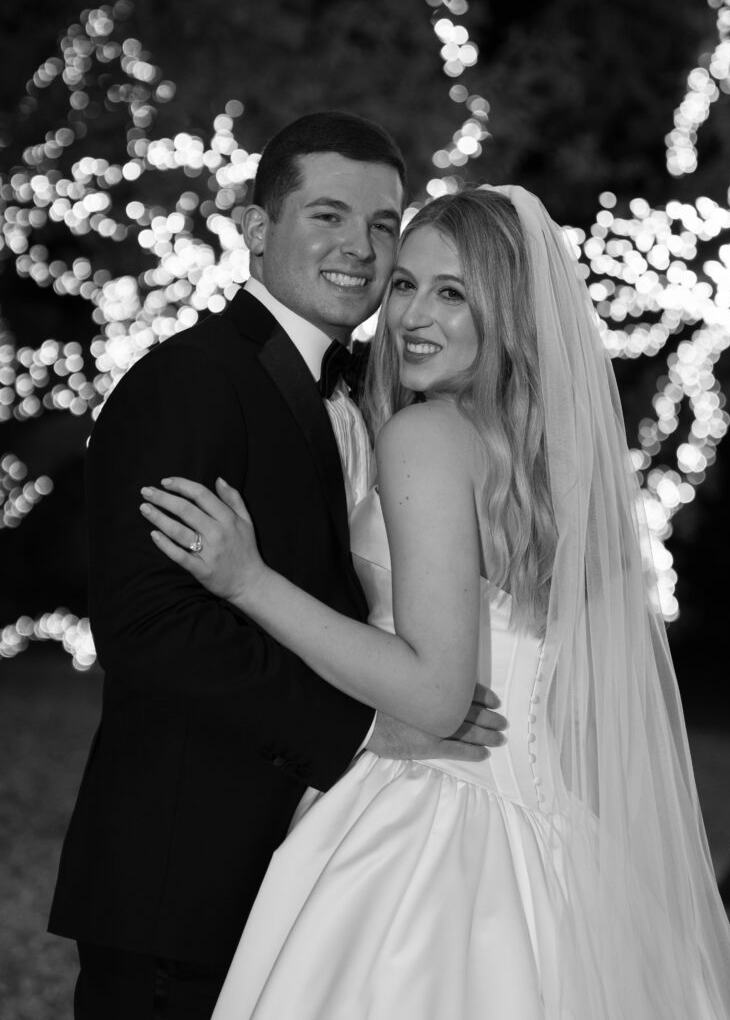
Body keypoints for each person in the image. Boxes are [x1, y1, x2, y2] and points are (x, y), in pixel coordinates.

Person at [142, 186, 730, 1019]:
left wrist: (249, 581)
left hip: (428, 825)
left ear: (506, 312)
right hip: (548, 833)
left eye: (453, 293)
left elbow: (437, 696)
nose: (411, 316)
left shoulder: (428, 435)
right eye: (405, 285)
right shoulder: (547, 457)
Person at [48, 113, 506, 1020]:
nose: (362, 249)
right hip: (184, 873)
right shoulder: (186, 382)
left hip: (323, 871)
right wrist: (371, 733)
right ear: (257, 231)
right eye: (328, 217)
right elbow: (151, 630)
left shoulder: (392, 389)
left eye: (383, 225)